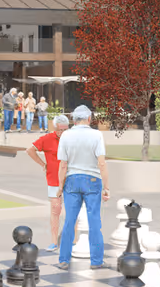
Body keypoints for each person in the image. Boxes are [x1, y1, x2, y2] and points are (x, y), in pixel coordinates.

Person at [56, 105, 110, 271]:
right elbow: (101, 163)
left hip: (71, 180)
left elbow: (63, 165)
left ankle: (64, 260)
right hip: (93, 180)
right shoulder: (96, 135)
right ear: (89, 119)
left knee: (69, 221)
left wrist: (59, 187)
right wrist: (106, 187)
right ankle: (96, 261)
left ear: (73, 119)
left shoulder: (65, 135)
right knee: (94, 221)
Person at [26, 115, 69, 252]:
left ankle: (73, 242)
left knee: (71, 212)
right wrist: (42, 164)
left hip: (71, 180)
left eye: (64, 130)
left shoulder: (72, 139)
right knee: (56, 210)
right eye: (59, 130)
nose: (62, 132)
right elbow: (30, 150)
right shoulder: (47, 139)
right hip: (53, 180)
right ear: (54, 127)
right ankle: (54, 242)